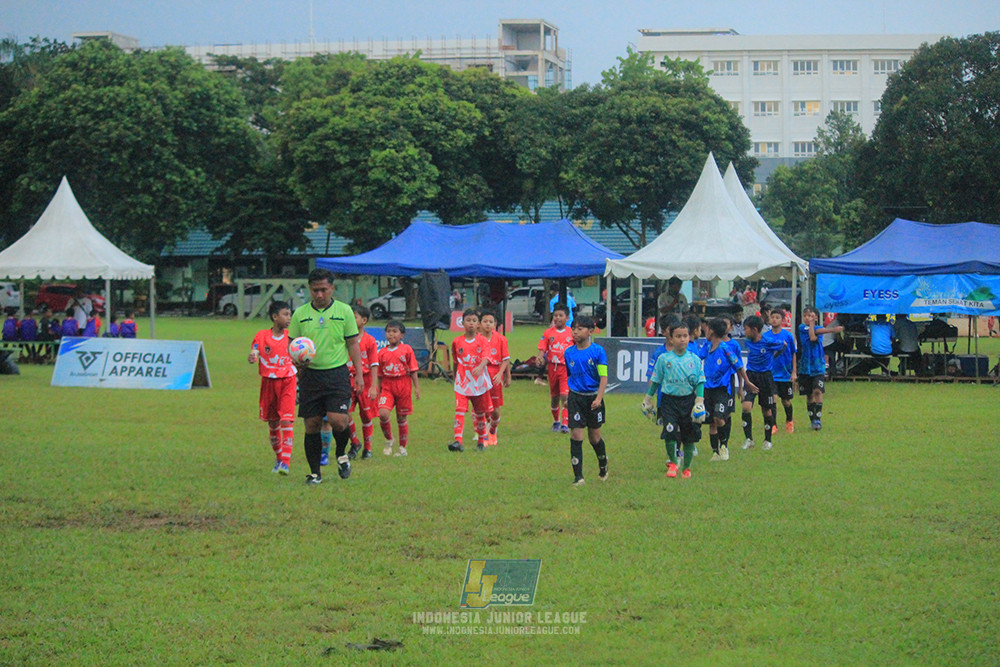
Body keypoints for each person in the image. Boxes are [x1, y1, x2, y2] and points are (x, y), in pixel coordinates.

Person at [288, 268, 365, 485]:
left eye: (323, 289)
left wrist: (359, 374)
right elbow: (292, 344)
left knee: (338, 421)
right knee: (312, 424)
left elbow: (353, 344)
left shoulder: (344, 311)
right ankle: (315, 474)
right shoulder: (300, 314)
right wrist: (296, 360)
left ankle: (341, 454)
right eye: (315, 290)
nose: (319, 294)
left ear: (332, 288)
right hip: (310, 375)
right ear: (309, 289)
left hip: (337, 373)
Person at [643, 319, 705, 479]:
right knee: (670, 432)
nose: (682, 339)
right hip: (669, 401)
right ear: (671, 338)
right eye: (678, 336)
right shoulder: (664, 359)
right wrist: (647, 399)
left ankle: (687, 468)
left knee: (688, 436)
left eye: (685, 336)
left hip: (688, 401)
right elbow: (656, 380)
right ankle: (673, 463)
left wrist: (699, 401)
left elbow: (700, 381)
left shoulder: (694, 359)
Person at [248, 301, 296, 475]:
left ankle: (285, 463)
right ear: (275, 317)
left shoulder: (292, 337)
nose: (289, 318)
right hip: (269, 382)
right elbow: (255, 350)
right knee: (273, 422)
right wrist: (253, 356)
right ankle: (279, 458)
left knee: (286, 420)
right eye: (285, 314)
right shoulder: (262, 336)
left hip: (288, 381)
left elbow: (300, 353)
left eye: (290, 314)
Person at [700, 317, 757, 462]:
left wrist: (746, 382)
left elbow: (738, 366)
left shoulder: (725, 348)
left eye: (707, 329)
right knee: (711, 422)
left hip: (722, 389)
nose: (705, 331)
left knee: (719, 417)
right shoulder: (707, 346)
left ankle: (724, 446)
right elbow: (696, 358)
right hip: (707, 389)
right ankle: (715, 452)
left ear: (712, 331)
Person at [563, 315, 609, 485]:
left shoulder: (598, 351)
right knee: (576, 435)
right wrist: (568, 397)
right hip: (576, 397)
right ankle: (578, 477)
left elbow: (603, 377)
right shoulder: (568, 353)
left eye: (580, 329)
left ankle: (603, 465)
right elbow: (570, 376)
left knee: (594, 438)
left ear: (590, 331)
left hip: (593, 398)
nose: (575, 332)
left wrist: (599, 398)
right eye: (573, 329)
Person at [449, 308, 494, 452]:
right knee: (460, 410)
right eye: (468, 320)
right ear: (462, 323)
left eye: (474, 320)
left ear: (478, 324)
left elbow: (486, 357)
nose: (471, 323)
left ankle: (481, 441)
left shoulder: (482, 340)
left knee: (480, 413)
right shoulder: (457, 342)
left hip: (479, 383)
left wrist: (480, 366)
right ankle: (458, 441)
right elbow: (456, 361)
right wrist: (455, 377)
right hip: (462, 382)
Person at [740, 315, 787, 451]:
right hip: (751, 376)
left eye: (746, 329)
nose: (744, 332)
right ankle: (749, 439)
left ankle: (767, 440)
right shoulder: (747, 342)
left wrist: (773, 357)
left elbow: (783, 345)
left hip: (765, 377)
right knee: (746, 406)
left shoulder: (768, 341)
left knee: (766, 410)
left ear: (755, 330)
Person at [376, 320, 420, 457]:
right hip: (387, 386)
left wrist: (417, 387)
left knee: (401, 418)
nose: (391, 334)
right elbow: (379, 374)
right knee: (383, 414)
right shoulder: (382, 352)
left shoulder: (406, 349)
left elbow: (413, 370)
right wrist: (378, 390)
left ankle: (402, 448)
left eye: (394, 331)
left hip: (403, 385)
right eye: (388, 331)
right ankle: (389, 439)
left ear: (402, 335)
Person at [342, 304, 379, 461]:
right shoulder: (344, 338)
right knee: (345, 413)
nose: (350, 319)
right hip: (347, 380)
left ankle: (367, 448)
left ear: (363, 320)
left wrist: (374, 386)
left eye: (354, 317)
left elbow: (374, 364)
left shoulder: (370, 341)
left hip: (365, 381)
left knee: (366, 416)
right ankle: (355, 442)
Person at [798, 306, 843, 431]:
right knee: (809, 394)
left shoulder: (819, 329)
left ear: (816, 317)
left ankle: (818, 419)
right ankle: (812, 419)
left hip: (818, 366)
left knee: (817, 390)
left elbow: (816, 335)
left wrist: (818, 327)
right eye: (805, 316)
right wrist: (833, 329)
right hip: (805, 367)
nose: (808, 318)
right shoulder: (802, 328)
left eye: (811, 316)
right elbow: (812, 336)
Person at [536, 304, 574, 433]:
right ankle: (556, 421)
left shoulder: (571, 333)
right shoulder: (548, 332)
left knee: (565, 395)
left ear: (567, 318)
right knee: (554, 398)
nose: (557, 318)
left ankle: (565, 424)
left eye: (560, 315)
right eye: (555, 315)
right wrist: (540, 357)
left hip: (566, 368)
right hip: (552, 367)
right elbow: (543, 347)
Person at [479, 310, 511, 446]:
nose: (488, 324)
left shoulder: (501, 339)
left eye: (490, 322)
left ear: (495, 324)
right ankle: (483, 433)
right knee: (481, 406)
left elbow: (506, 359)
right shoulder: (477, 339)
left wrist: (504, 375)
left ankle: (493, 427)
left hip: (495, 374)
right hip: (481, 374)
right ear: (480, 323)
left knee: (495, 410)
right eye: (485, 321)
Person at [764, 308, 798, 433]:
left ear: (782, 320)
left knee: (786, 401)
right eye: (772, 317)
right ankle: (773, 425)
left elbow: (793, 353)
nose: (774, 320)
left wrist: (794, 372)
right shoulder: (766, 336)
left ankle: (789, 420)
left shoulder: (788, 336)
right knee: (773, 399)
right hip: (771, 374)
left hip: (785, 374)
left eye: (777, 318)